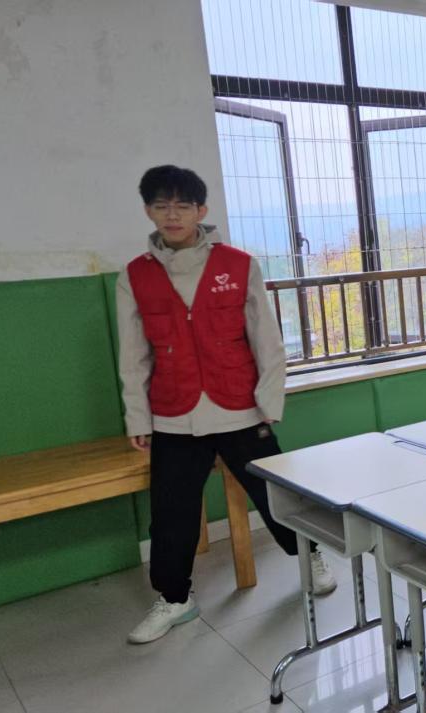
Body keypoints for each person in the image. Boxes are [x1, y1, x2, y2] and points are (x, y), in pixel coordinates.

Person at [116, 165, 335, 645]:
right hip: (173, 412)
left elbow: (266, 339)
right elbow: (133, 356)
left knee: (275, 493)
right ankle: (175, 598)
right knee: (171, 512)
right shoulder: (135, 275)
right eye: (161, 206)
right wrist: (138, 417)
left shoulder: (238, 264)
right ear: (148, 211)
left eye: (183, 205)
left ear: (201, 210)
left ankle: (310, 557)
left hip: (239, 405)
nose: (172, 215)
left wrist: (269, 399)